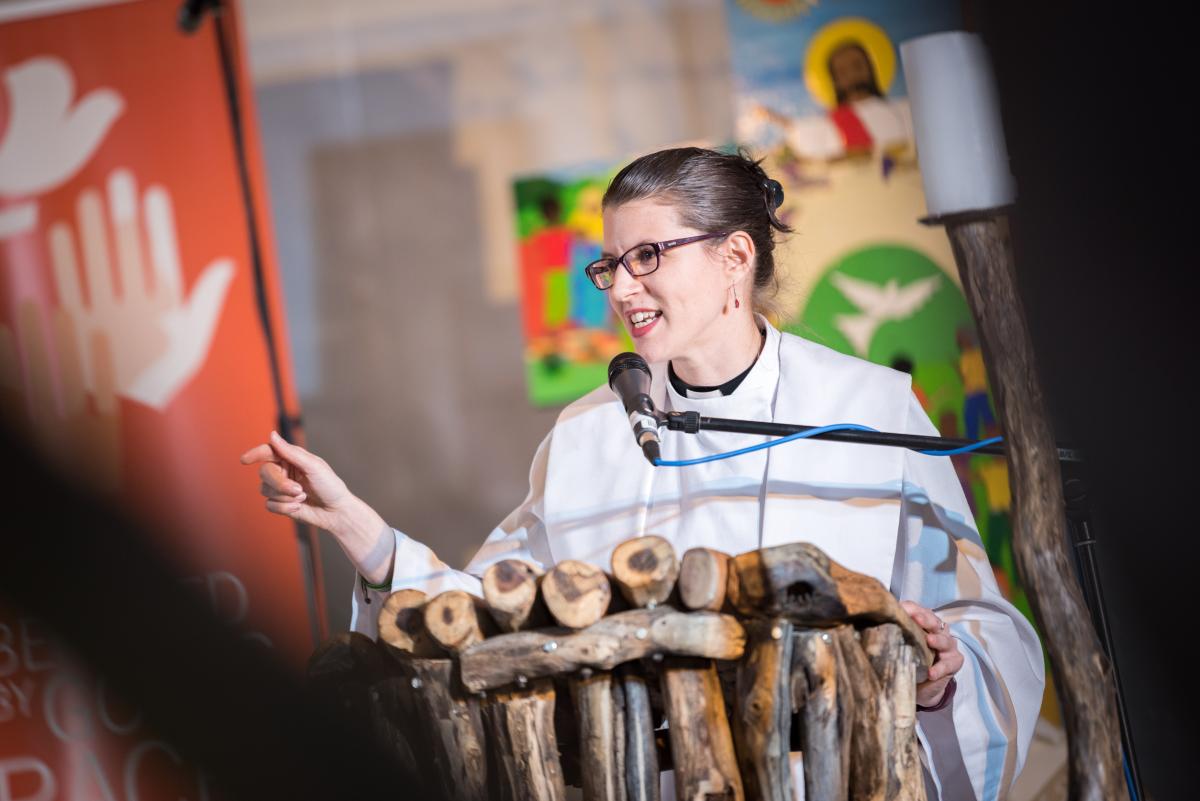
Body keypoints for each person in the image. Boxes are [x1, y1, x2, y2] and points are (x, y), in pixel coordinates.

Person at [241, 147, 1044, 801]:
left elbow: (979, 621)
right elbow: (492, 613)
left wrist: (944, 668)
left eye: (648, 256)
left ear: (736, 256)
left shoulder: (867, 406)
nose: (622, 289)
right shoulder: (590, 435)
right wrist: (361, 529)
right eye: (610, 266)